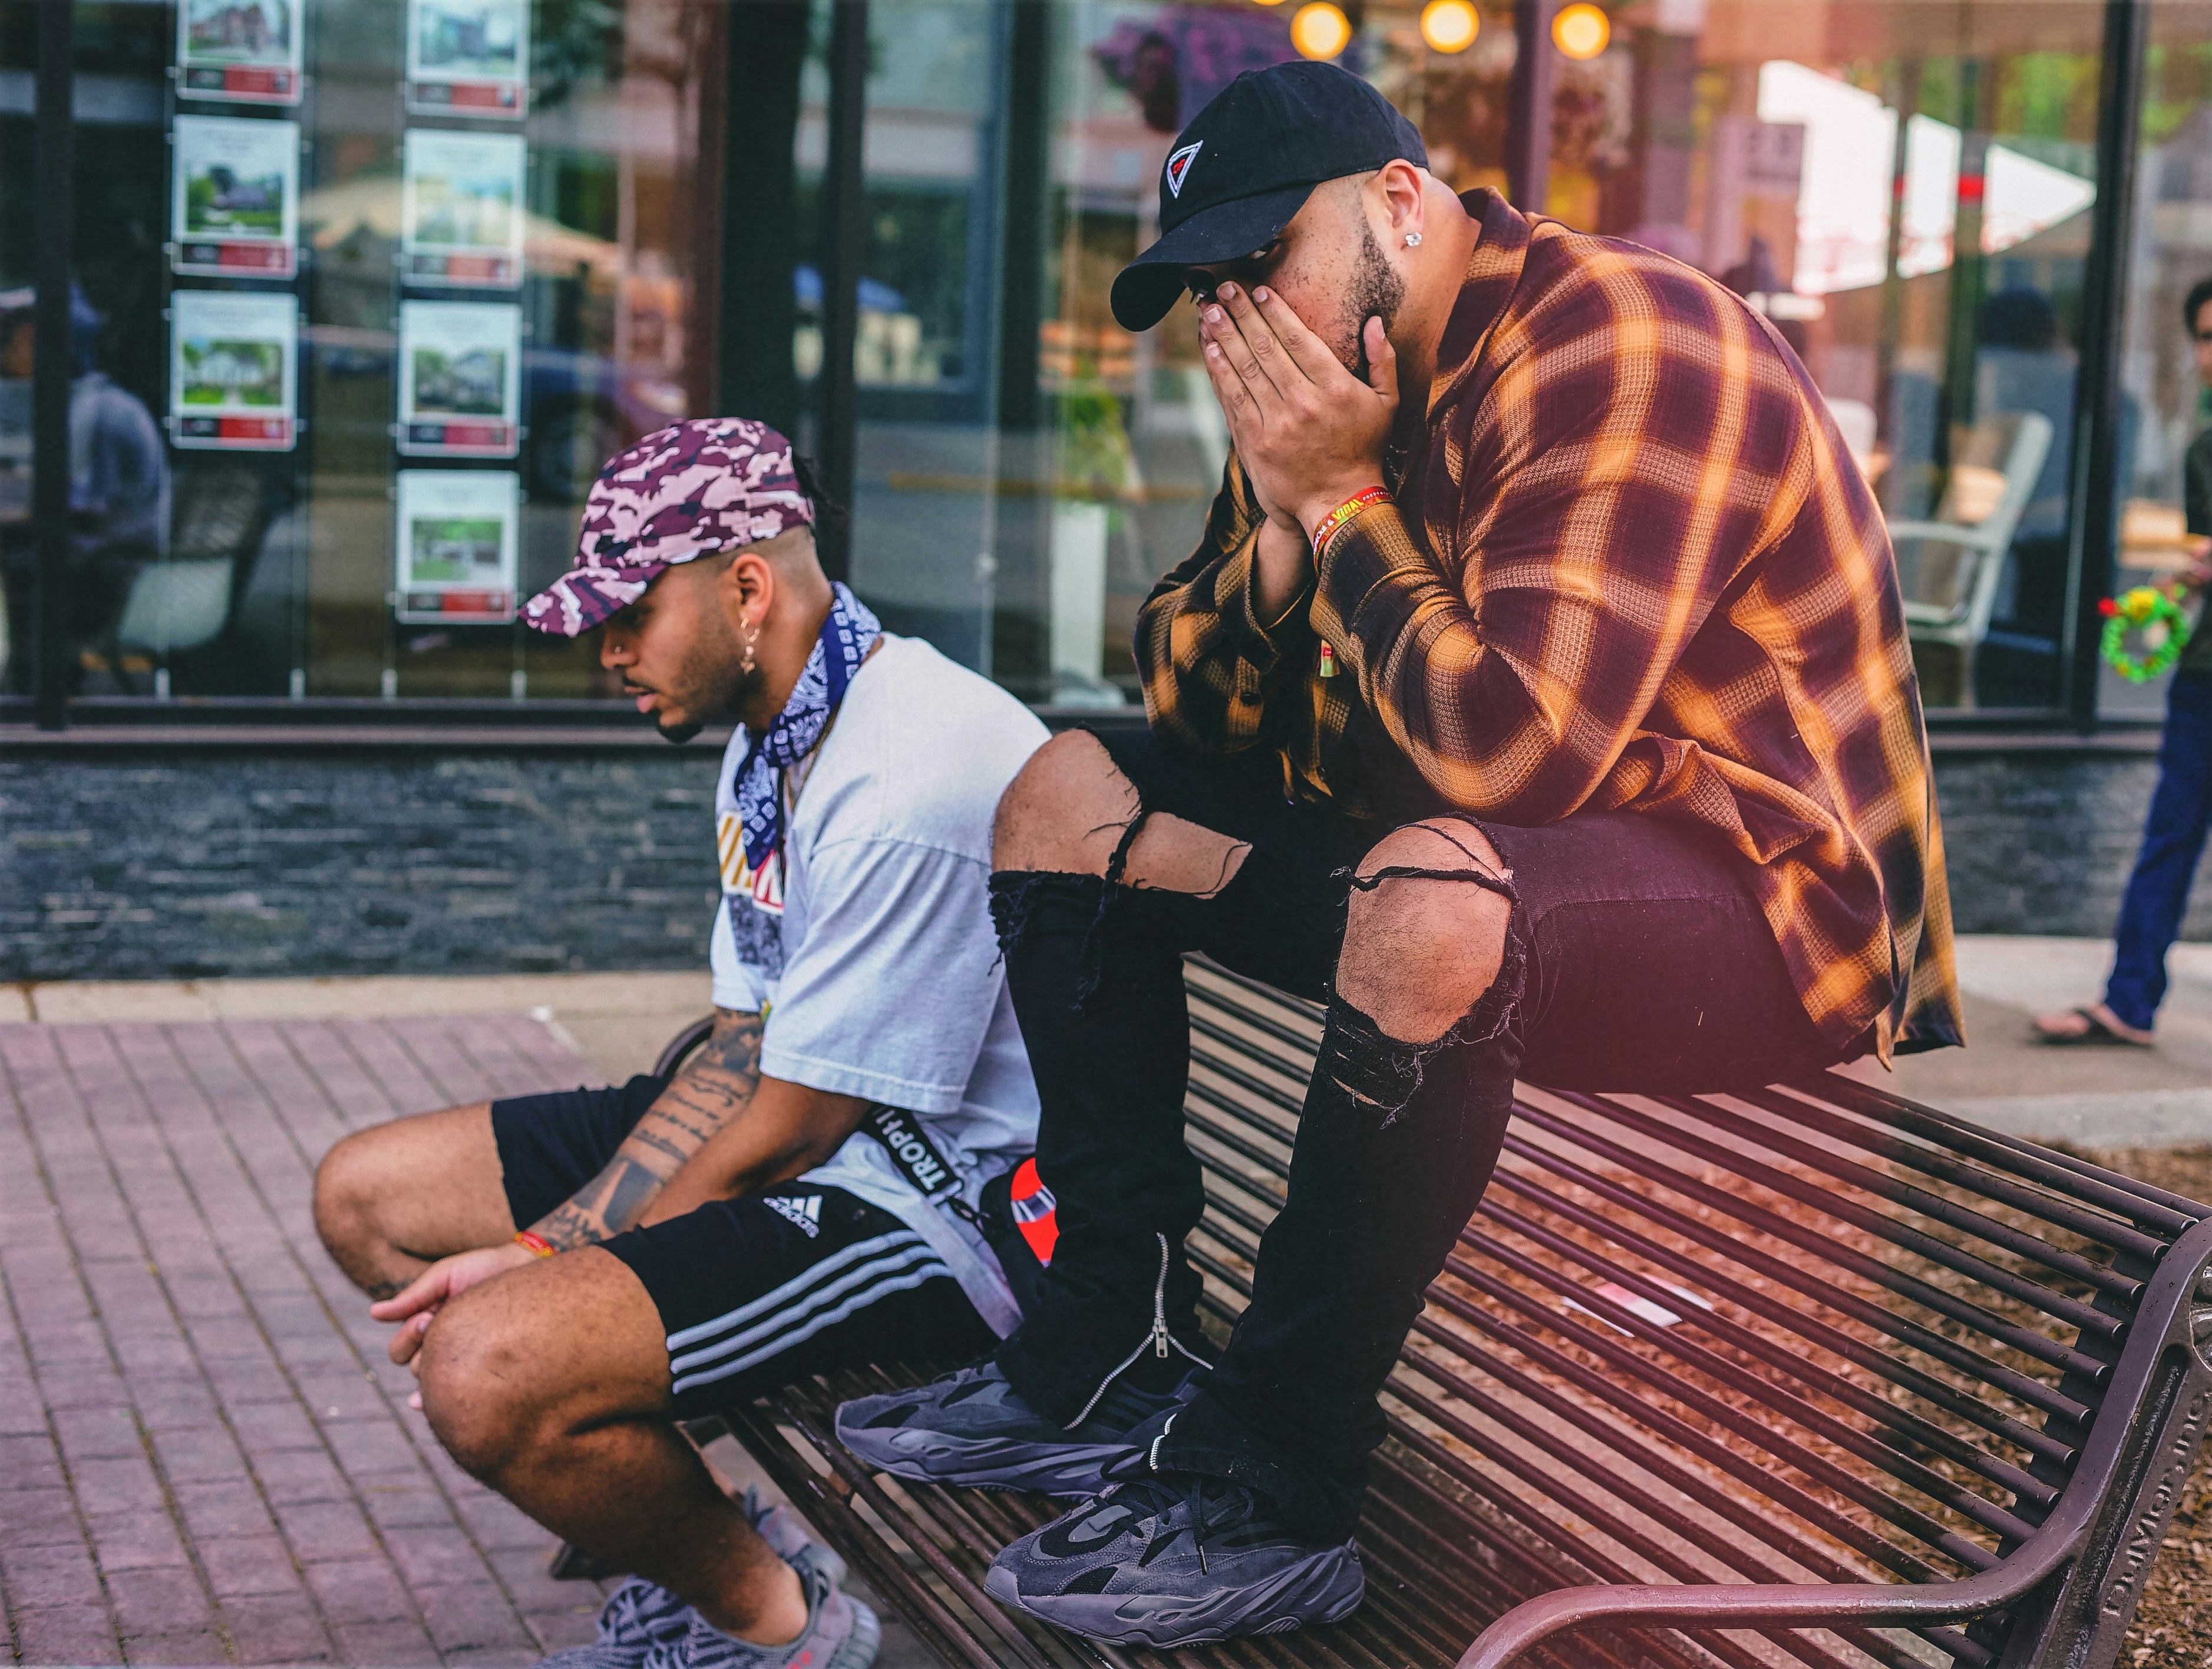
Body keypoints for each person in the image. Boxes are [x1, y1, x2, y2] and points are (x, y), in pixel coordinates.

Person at [836, 61, 1960, 1647]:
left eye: (1261, 254)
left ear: (1401, 199)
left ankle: (1279, 1479)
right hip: (1457, 871)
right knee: (1063, 788)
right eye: (1212, 282)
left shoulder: (1624, 345)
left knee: (1434, 883)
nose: (1245, 310)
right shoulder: (1326, 396)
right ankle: (1101, 1333)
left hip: (1765, 918)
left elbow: (1513, 751)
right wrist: (1292, 538)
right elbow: (1194, 705)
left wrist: (1342, 501)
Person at [312, 418, 1048, 1669]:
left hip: (946, 1212)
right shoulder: (778, 734)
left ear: (745, 587)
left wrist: (543, 1264)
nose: (605, 654)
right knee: (366, 1197)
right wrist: (562, 1244)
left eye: (626, 617)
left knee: (489, 1374)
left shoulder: (905, 770)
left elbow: (789, 1134)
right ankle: (697, 1528)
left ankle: (794, 1635)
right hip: (821, 1133)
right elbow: (741, 1044)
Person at [2034, 278, 2212, 1047]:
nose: (2211, 353)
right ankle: (2127, 1001)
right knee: (2167, 835)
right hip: (2203, 675)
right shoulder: (2203, 451)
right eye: (2204, 336)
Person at [0, 289, 169, 695]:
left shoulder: (99, 412)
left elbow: (76, 517)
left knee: (21, 568)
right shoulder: (82, 403)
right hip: (94, 563)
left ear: (33, 340)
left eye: (9, 337)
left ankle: (30, 690)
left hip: (105, 577)